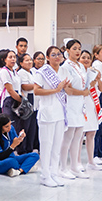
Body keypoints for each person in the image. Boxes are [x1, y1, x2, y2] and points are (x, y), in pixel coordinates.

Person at [32, 46, 69, 187]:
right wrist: (56, 89)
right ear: (47, 57)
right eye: (53, 55)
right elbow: (36, 91)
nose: (57, 57)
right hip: (47, 112)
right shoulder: (42, 72)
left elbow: (66, 89)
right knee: (46, 145)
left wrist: (65, 88)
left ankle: (54, 173)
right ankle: (45, 175)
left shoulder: (64, 71)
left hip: (60, 112)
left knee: (56, 145)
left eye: (59, 54)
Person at [58, 40, 90, 179]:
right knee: (68, 137)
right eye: (74, 48)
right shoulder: (65, 67)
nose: (78, 51)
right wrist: (83, 92)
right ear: (67, 50)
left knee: (78, 137)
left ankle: (74, 167)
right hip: (70, 103)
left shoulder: (81, 66)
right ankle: (62, 168)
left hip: (80, 104)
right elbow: (68, 90)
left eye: (79, 49)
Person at [78, 50, 102, 169]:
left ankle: (90, 161)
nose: (86, 60)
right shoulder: (78, 72)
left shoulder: (94, 72)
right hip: (81, 104)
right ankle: (77, 162)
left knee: (92, 133)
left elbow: (100, 88)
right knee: (80, 134)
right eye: (83, 57)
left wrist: (98, 79)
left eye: (88, 58)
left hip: (92, 104)